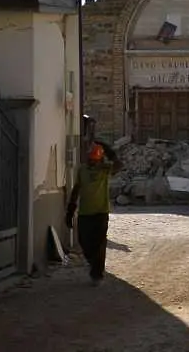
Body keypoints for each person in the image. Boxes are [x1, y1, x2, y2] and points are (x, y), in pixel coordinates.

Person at [65, 117, 122, 286]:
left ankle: (97, 274)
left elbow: (119, 165)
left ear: (99, 159)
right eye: (90, 159)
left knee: (99, 244)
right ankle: (93, 264)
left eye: (94, 159)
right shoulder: (82, 170)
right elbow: (76, 189)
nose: (92, 162)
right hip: (85, 213)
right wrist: (70, 210)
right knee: (84, 241)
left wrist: (110, 152)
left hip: (101, 212)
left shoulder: (105, 170)